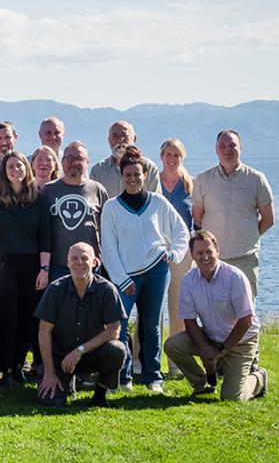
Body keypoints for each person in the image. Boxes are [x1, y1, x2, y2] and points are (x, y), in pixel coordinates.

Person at [100, 146, 190, 392]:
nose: (132, 179)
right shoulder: (111, 207)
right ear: (122, 177)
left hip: (156, 272)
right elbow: (108, 247)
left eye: (137, 174)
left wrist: (173, 254)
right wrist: (121, 279)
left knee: (150, 325)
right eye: (128, 175)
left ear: (145, 175)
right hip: (126, 277)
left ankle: (153, 376)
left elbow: (181, 231)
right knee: (119, 324)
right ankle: (122, 376)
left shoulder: (158, 202)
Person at [164, 230, 268, 401]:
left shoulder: (235, 277)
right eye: (199, 253)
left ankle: (258, 379)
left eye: (209, 252)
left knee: (232, 398)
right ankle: (201, 386)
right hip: (211, 338)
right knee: (173, 345)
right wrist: (205, 348)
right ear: (192, 255)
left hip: (240, 342)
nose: (205, 257)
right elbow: (189, 320)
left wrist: (221, 351)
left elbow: (246, 320)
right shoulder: (188, 280)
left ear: (217, 251)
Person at [0, 151, 51, 386]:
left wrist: (44, 270)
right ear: (4, 171)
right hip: (3, 266)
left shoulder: (38, 199)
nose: (15, 170)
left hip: (32, 266)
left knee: (27, 320)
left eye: (19, 165)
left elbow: (45, 237)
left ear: (26, 168)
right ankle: (6, 368)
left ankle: (20, 365)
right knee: (8, 319)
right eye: (10, 166)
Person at [34, 243, 126, 407]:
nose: (79, 262)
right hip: (60, 357)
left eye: (85, 258)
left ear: (95, 262)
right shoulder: (55, 289)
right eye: (74, 258)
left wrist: (80, 350)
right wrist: (49, 373)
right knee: (51, 401)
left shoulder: (107, 290)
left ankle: (100, 394)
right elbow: (43, 331)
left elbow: (114, 330)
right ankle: (64, 382)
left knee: (117, 349)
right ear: (67, 262)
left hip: (91, 354)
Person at [192, 130, 275, 298]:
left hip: (245, 258)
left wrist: (249, 235)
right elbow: (198, 217)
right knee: (213, 307)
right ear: (216, 149)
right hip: (213, 259)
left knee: (246, 309)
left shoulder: (256, 179)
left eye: (232, 145)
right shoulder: (203, 179)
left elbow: (269, 218)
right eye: (222, 146)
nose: (227, 150)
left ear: (241, 148)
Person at [40, 141, 108, 281]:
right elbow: (42, 230)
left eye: (79, 159)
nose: (74, 163)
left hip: (90, 266)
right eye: (70, 158)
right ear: (62, 161)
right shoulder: (48, 190)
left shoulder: (97, 190)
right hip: (58, 266)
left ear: (87, 162)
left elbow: (107, 230)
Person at [159, 137, 197, 366]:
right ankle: (140, 359)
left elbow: (198, 219)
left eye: (176, 155)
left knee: (178, 306)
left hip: (183, 252)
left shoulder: (191, 184)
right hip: (156, 249)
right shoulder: (153, 182)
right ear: (162, 156)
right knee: (152, 307)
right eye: (168, 154)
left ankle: (176, 362)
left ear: (182, 157)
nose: (172, 159)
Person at [89, 121, 161, 196]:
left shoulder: (149, 168)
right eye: (115, 136)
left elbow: (156, 202)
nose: (120, 140)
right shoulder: (98, 171)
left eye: (124, 135)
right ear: (109, 140)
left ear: (134, 138)